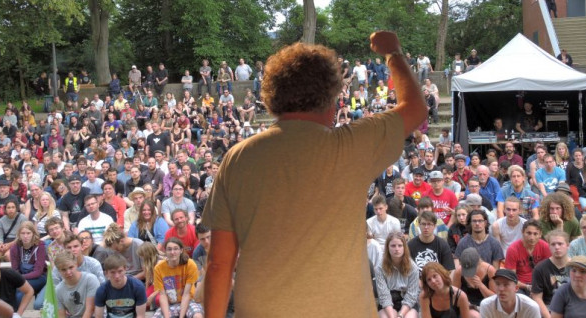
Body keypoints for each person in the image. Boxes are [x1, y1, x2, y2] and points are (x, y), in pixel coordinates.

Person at [201, 31, 427, 317]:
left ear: (273, 96)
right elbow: (416, 109)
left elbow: (219, 263)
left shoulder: (237, 158)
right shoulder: (353, 145)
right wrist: (393, 53)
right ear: (331, 99)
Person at [153, 238, 203, 318]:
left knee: (198, 316)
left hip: (189, 302)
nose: (172, 252)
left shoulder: (190, 264)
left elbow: (186, 294)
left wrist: (181, 316)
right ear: (165, 251)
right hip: (170, 304)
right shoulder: (158, 268)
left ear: (181, 250)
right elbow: (162, 295)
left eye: (176, 249)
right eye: (169, 249)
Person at [374, 232, 420, 318]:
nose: (396, 249)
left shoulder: (413, 267)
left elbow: (412, 295)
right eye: (393, 246)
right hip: (388, 302)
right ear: (388, 247)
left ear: (404, 247)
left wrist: (401, 315)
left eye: (400, 245)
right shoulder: (380, 267)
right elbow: (384, 296)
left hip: (407, 301)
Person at [504, 220, 552, 295]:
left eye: (535, 234)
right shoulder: (513, 249)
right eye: (528, 233)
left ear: (540, 234)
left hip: (540, 284)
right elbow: (511, 278)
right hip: (520, 285)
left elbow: (549, 272)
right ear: (522, 232)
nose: (532, 237)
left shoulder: (545, 247)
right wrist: (527, 286)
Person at [531, 230, 571, 318]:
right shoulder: (540, 268)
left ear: (568, 245)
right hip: (549, 308)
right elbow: (537, 297)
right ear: (548, 246)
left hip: (571, 308)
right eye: (553, 244)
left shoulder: (576, 267)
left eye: (560, 244)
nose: (557, 247)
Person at [94, 254, 148, 318]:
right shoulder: (102, 290)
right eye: (112, 272)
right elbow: (98, 316)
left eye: (120, 271)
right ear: (106, 273)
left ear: (125, 269)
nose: (117, 276)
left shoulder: (138, 287)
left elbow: (140, 316)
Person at [9, 221, 47, 310]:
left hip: (40, 277)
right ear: (19, 234)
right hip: (22, 277)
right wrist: (19, 278)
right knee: (13, 289)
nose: (25, 236)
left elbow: (38, 271)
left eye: (28, 233)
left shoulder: (40, 245)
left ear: (33, 233)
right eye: (23, 233)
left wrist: (20, 278)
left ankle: (16, 314)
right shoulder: (14, 248)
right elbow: (15, 269)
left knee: (20, 289)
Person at [54, 252, 100, 318]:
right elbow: (61, 315)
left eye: (71, 267)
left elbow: (90, 310)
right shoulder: (58, 290)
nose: (68, 272)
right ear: (59, 271)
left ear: (76, 264)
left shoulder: (90, 280)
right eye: (63, 270)